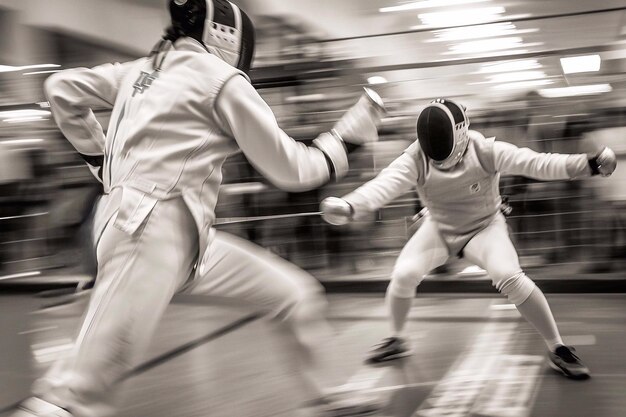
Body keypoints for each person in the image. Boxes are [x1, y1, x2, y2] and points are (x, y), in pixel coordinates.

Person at [11, 1, 385, 416]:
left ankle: (330, 396)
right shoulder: (222, 80)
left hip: (184, 240)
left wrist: (100, 159)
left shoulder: (143, 70)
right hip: (147, 237)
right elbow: (293, 169)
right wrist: (348, 138)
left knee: (294, 295)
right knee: (75, 394)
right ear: (228, 36)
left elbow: (61, 88)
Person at [320, 98, 617, 380]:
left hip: (484, 228)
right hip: (438, 227)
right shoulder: (416, 156)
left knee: (509, 276)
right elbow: (385, 184)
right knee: (404, 273)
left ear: (460, 134)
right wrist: (350, 206)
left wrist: (588, 164)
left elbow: (536, 163)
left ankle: (558, 347)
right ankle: (396, 339)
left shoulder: (485, 149)